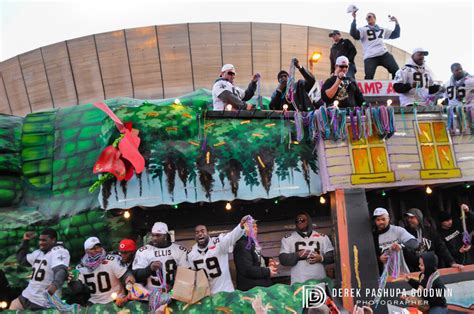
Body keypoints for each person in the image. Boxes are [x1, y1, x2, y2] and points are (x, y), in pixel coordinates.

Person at [9, 228, 70, 311]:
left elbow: (61, 271)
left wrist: (53, 287)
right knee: (12, 308)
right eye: (40, 240)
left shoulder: (59, 251)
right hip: (27, 296)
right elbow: (21, 259)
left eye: (44, 240)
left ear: (53, 240)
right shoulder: (38, 252)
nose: (41, 243)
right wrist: (26, 240)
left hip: (43, 302)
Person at [188, 215, 251, 294]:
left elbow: (231, 237)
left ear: (208, 233)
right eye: (197, 232)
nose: (200, 234)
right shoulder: (191, 253)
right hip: (207, 296)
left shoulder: (219, 242)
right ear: (195, 237)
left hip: (225, 292)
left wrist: (240, 226)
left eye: (202, 231)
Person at [69, 237, 134, 305]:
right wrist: (71, 280)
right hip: (95, 305)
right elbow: (77, 289)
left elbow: (127, 276)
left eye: (99, 247)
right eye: (93, 248)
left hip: (117, 301)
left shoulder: (112, 260)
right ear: (86, 251)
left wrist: (129, 291)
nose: (97, 250)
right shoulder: (80, 267)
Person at [279, 212, 335, 284]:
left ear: (309, 221)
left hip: (319, 279)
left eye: (302, 220)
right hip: (299, 281)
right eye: (297, 221)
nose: (300, 222)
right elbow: (283, 259)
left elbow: (333, 256)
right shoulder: (288, 239)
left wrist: (321, 258)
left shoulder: (322, 237)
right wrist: (297, 255)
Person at [132, 222, 189, 291]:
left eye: (158, 235)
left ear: (165, 236)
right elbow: (136, 275)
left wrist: (173, 284)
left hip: (174, 293)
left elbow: (186, 275)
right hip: (150, 294)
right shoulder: (143, 251)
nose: (154, 238)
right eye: (153, 235)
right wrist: (150, 268)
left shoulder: (179, 250)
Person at [350, 11, 400, 79]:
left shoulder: (381, 29)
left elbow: (396, 34)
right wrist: (354, 19)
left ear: (375, 18)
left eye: (369, 16)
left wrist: (396, 22)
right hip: (370, 56)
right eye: (366, 17)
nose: (367, 18)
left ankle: (396, 86)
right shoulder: (363, 29)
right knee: (369, 77)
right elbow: (354, 34)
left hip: (383, 53)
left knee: (396, 71)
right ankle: (368, 89)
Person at [233, 220, 277, 291]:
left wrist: (269, 260)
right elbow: (247, 269)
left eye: (256, 226)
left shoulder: (251, 244)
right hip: (252, 290)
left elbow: (257, 260)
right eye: (253, 226)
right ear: (245, 229)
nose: (256, 228)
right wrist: (268, 271)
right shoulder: (242, 245)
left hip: (260, 287)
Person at [372, 207, 419, 272]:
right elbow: (368, 256)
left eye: (383, 219)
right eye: (378, 220)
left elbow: (415, 243)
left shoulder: (397, 230)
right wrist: (379, 259)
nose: (381, 222)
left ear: (388, 218)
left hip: (403, 272)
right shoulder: (373, 236)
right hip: (385, 276)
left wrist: (401, 246)